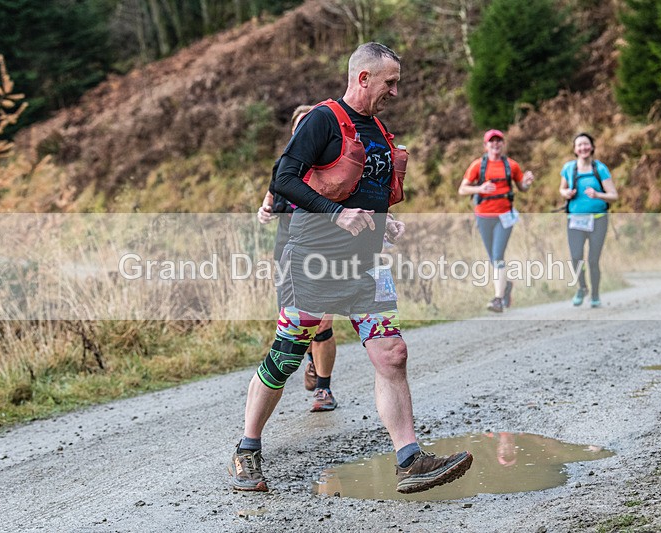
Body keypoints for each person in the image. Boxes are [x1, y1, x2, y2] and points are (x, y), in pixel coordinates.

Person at [229, 42, 473, 494]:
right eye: (390, 82)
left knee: (392, 354)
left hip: (366, 266)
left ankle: (410, 458)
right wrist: (335, 213)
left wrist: (385, 222)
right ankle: (247, 449)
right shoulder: (323, 119)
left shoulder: (378, 128)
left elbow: (366, 191)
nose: (396, 92)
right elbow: (283, 179)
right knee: (285, 359)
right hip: (314, 261)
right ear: (363, 78)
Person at [258, 105, 338, 412]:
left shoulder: (330, 168)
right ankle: (311, 361)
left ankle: (323, 389)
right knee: (295, 322)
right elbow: (267, 204)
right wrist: (264, 212)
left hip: (322, 251)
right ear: (294, 133)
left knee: (322, 322)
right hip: (287, 250)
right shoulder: (283, 166)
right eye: (300, 126)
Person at [458, 129, 535, 313]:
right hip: (484, 216)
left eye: (498, 141)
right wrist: (480, 188)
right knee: (493, 258)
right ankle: (506, 286)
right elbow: (462, 189)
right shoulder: (478, 166)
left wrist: (527, 182)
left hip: (504, 216)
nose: (495, 144)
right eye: (491, 142)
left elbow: (521, 187)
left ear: (503, 144)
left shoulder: (511, 165)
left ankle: (498, 299)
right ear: (485, 146)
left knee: (498, 255)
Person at [559, 132, 618, 307]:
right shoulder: (569, 168)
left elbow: (613, 196)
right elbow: (561, 189)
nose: (583, 148)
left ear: (592, 147)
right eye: (579, 145)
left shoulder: (599, 169)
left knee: (593, 260)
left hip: (598, 220)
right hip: (575, 220)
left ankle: (595, 295)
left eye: (586, 144)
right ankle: (582, 287)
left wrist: (597, 194)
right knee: (576, 257)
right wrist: (566, 193)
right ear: (575, 149)